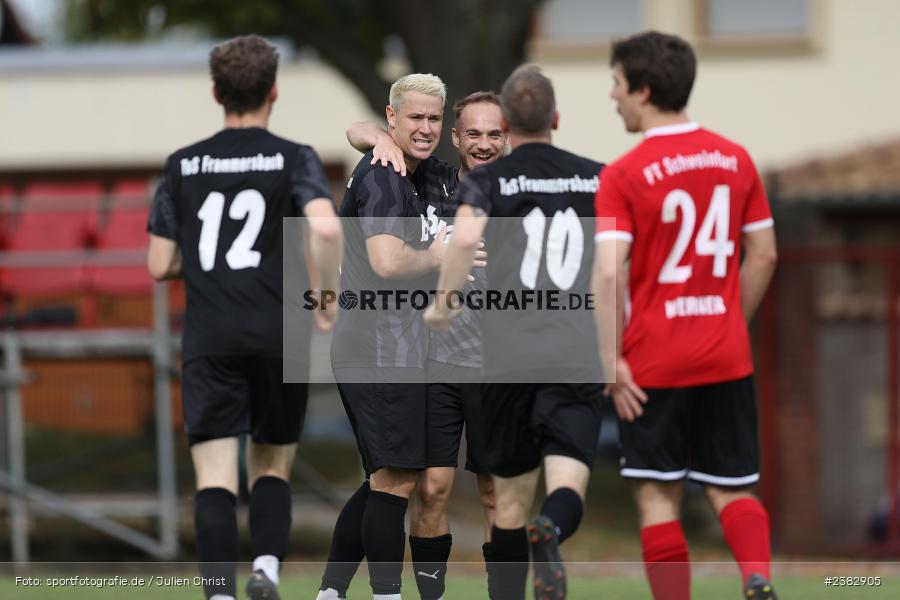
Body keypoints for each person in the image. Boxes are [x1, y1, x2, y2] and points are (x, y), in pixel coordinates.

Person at [146, 35, 342, 600]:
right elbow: (326, 228)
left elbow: (159, 264)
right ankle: (266, 571)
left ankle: (219, 593)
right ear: (273, 91)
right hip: (280, 334)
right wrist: (327, 296)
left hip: (210, 337)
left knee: (213, 476)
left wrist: (203, 264)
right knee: (271, 465)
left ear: (216, 93)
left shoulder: (182, 164)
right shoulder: (294, 156)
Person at [593, 31, 779, 600]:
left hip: (654, 362)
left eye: (617, 84)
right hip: (725, 356)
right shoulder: (736, 158)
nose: (612, 95)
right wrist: (728, 323)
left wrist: (610, 360)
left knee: (657, 496)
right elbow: (765, 254)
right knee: (732, 489)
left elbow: (608, 273)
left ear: (644, 91)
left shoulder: (623, 174)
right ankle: (757, 578)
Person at [424, 64, 606, 600]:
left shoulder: (486, 182)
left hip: (505, 354)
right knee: (567, 482)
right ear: (556, 118)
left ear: (507, 125)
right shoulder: (599, 177)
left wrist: (443, 305)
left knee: (505, 502)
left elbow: (463, 243)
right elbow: (613, 269)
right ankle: (551, 527)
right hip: (573, 349)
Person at [318, 73, 485, 600]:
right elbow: (387, 263)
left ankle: (331, 591)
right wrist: (439, 254)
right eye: (414, 117)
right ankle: (385, 594)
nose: (425, 128)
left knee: (391, 479)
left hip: (403, 347)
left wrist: (370, 132)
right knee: (394, 481)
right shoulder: (384, 174)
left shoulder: (425, 173)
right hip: (377, 344)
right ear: (393, 116)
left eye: (434, 118)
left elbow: (355, 128)